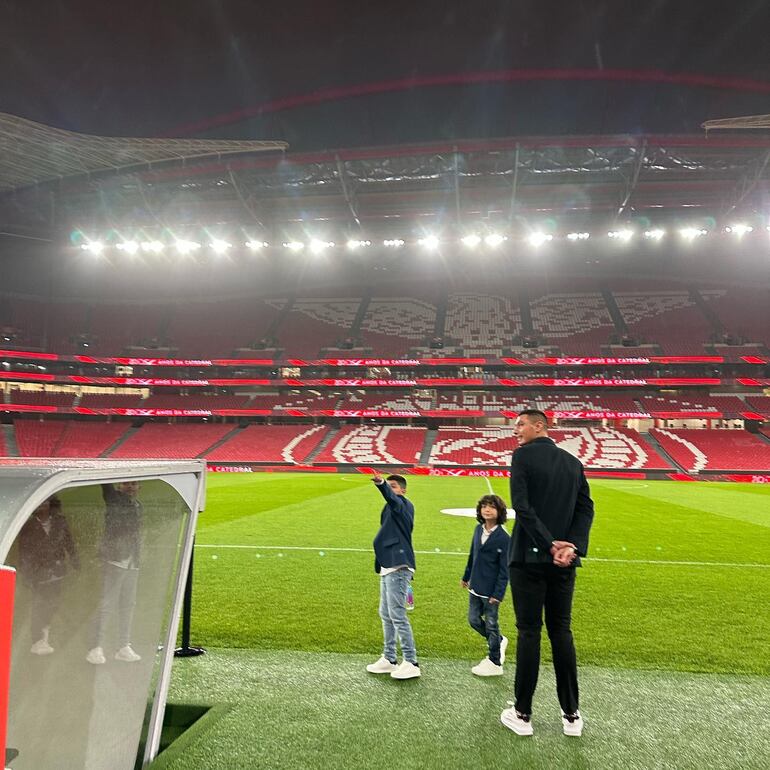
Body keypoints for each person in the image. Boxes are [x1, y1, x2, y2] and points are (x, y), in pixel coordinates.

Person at [500, 409, 595, 738]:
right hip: (564, 563)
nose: (516, 430)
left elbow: (522, 507)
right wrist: (573, 547)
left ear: (539, 426)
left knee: (529, 633)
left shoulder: (522, 457)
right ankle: (572, 715)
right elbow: (586, 508)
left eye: (520, 424)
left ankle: (523, 714)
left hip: (529, 559)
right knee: (561, 633)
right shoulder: (573, 463)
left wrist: (548, 544)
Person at [365, 471, 420, 680]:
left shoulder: (402, 505)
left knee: (397, 614)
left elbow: (392, 498)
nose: (391, 489)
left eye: (394, 486)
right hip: (388, 564)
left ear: (403, 490)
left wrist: (381, 484)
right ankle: (389, 658)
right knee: (385, 613)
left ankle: (411, 661)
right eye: (390, 486)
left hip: (399, 565)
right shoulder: (390, 508)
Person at [86, 481, 143, 665]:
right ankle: (95, 647)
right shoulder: (114, 499)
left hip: (132, 560)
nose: (131, 487)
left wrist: (138, 556)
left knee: (128, 604)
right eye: (127, 483)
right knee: (107, 604)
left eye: (134, 484)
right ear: (119, 486)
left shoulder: (138, 505)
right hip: (115, 558)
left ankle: (123, 646)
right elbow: (106, 485)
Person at [18, 495, 79, 655]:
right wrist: (27, 574)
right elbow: (24, 552)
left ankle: (45, 636)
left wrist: (74, 560)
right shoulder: (27, 526)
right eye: (38, 503)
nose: (41, 506)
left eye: (44, 502)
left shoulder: (60, 522)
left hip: (57, 572)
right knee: (39, 605)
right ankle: (37, 640)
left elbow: (69, 542)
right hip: (39, 574)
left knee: (54, 604)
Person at [461, 494, 510, 677]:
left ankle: (495, 661)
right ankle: (498, 640)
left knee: (491, 624)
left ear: (499, 511)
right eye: (484, 506)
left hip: (491, 592)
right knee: (473, 620)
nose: (487, 509)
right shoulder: (477, 530)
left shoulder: (504, 538)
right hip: (475, 587)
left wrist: (498, 594)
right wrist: (466, 576)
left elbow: (505, 570)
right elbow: (472, 555)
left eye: (492, 506)